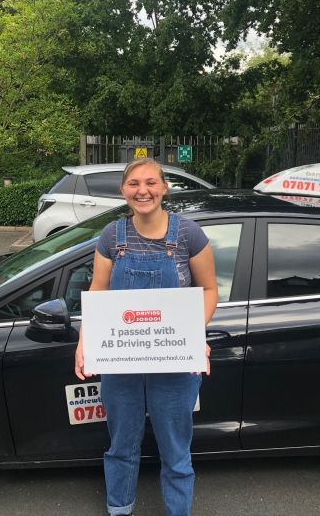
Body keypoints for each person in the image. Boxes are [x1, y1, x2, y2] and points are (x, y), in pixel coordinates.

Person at [75, 158, 218, 516]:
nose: (143, 191)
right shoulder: (112, 236)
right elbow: (98, 291)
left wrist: (192, 335)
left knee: (175, 449)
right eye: (134, 184)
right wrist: (84, 344)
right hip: (121, 362)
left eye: (151, 183)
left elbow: (210, 290)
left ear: (164, 187)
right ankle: (120, 508)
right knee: (121, 445)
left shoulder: (188, 234)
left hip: (175, 361)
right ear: (123, 190)